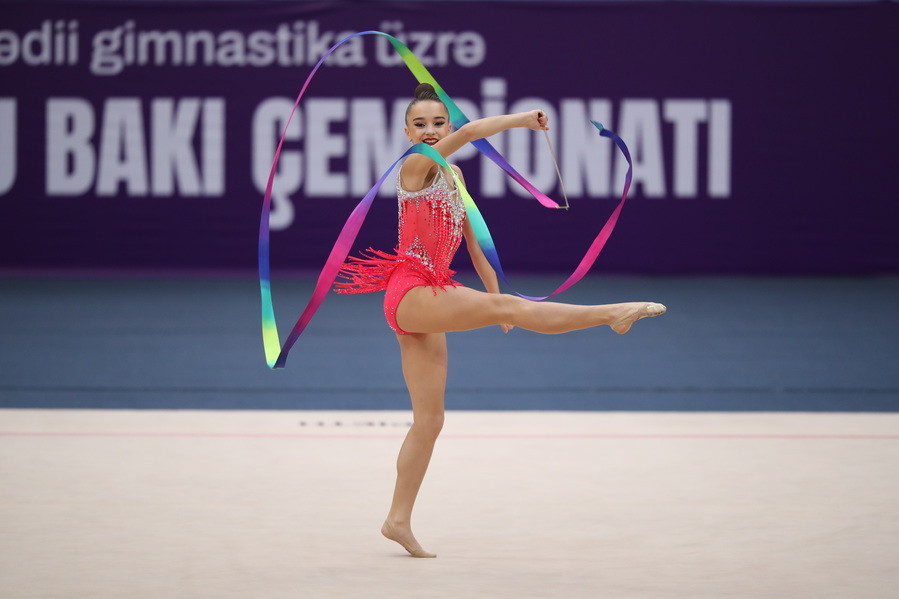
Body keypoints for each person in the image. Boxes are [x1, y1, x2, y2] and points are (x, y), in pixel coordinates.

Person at [335, 83, 666, 558]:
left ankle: (397, 520)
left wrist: (491, 294)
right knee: (513, 306)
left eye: (437, 123)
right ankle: (610, 314)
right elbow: (471, 131)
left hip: (430, 296)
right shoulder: (413, 167)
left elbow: (475, 244)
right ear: (406, 132)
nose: (430, 131)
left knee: (429, 420)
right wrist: (520, 121)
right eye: (421, 124)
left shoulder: (454, 181)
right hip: (411, 289)